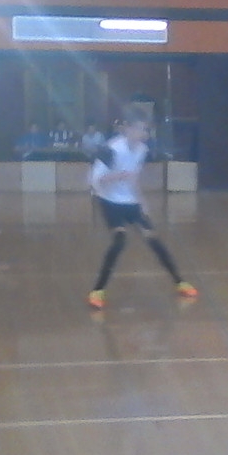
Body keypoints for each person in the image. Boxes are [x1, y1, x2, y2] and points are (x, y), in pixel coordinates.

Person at [87, 104, 198, 310]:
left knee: (153, 239)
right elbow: (94, 180)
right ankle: (97, 290)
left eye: (145, 129)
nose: (143, 133)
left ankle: (180, 282)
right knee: (120, 241)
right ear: (127, 128)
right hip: (109, 201)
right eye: (139, 128)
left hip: (131, 202)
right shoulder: (111, 149)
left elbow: (134, 178)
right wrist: (117, 176)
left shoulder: (142, 150)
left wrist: (142, 201)